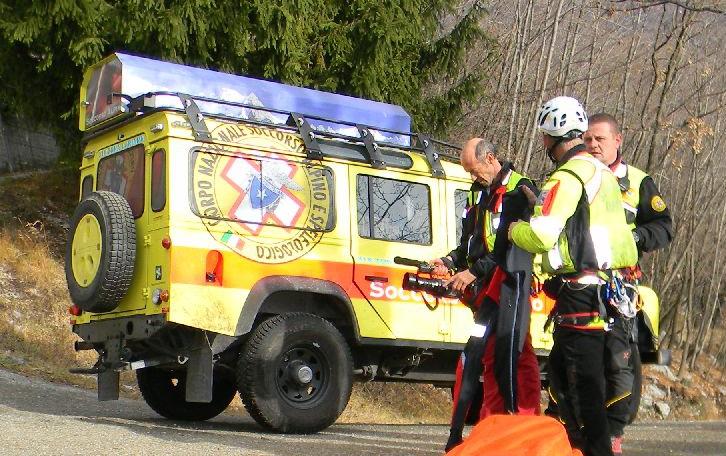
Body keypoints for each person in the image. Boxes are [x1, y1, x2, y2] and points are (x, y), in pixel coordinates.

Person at [509, 96, 638, 456]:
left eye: (543, 138)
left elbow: (542, 235)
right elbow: (588, 228)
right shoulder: (603, 172)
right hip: (609, 292)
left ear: (551, 136)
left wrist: (516, 229)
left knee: (580, 395)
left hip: (579, 296)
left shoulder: (566, 176)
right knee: (577, 386)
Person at [432, 138, 541, 451]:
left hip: (509, 286)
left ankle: (518, 422)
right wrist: (450, 262)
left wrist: (473, 272)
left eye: (474, 170)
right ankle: (491, 425)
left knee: (511, 356)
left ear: (491, 158)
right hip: (483, 292)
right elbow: (470, 243)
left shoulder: (520, 190)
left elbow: (510, 249)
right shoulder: (478, 191)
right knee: (487, 357)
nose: (471, 177)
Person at [583, 113, 673, 455]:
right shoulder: (576, 175)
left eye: (599, 139)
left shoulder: (637, 181)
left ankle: (613, 436)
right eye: (588, 139)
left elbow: (664, 226)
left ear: (617, 141)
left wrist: (633, 238)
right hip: (577, 287)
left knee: (620, 365)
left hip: (619, 290)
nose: (592, 145)